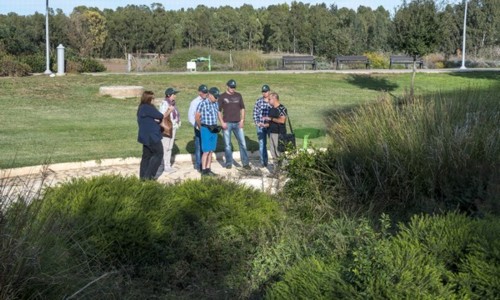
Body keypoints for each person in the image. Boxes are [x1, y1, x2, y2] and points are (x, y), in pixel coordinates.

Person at [218, 79, 250, 170]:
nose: (233, 89)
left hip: (237, 123)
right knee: (227, 145)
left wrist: (242, 120)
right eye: (231, 87)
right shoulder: (222, 96)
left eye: (234, 87)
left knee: (243, 143)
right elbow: (218, 111)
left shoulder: (238, 95)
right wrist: (222, 122)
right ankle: (228, 163)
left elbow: (242, 108)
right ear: (227, 86)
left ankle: (245, 163)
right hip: (227, 123)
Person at [137, 90, 165, 180]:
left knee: (146, 156)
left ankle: (142, 176)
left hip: (145, 136)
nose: (154, 100)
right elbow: (160, 115)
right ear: (149, 99)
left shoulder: (141, 107)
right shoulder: (148, 107)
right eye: (153, 98)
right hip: (152, 136)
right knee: (158, 153)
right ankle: (149, 176)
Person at [195, 87, 220, 176]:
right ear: (210, 95)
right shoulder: (202, 104)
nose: (217, 98)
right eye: (215, 96)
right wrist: (200, 126)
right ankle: (204, 170)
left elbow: (218, 114)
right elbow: (197, 116)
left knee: (211, 150)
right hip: (205, 128)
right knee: (206, 151)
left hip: (214, 128)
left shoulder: (216, 104)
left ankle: (209, 169)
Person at [155, 87, 179, 178]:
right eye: (174, 94)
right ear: (169, 95)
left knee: (170, 147)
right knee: (165, 147)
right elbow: (161, 116)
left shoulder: (172, 103)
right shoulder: (164, 103)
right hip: (166, 128)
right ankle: (164, 165)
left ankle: (167, 165)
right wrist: (169, 110)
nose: (175, 96)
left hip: (172, 127)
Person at [263, 92, 288, 168]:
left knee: (279, 152)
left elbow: (282, 120)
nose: (268, 100)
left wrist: (271, 118)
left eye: (269, 99)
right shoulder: (271, 109)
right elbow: (270, 122)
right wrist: (264, 125)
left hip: (279, 133)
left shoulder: (282, 108)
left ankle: (283, 169)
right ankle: (276, 170)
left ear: (274, 99)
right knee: (273, 152)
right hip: (271, 133)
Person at [188, 84, 208, 172]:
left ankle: (205, 164)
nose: (205, 94)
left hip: (207, 127)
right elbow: (190, 116)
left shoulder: (208, 101)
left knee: (206, 146)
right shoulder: (194, 102)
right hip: (198, 127)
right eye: (203, 92)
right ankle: (198, 164)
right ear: (199, 92)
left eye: (206, 92)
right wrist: (197, 126)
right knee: (199, 145)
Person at [253, 84, 272, 167]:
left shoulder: (272, 101)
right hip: (260, 126)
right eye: (263, 92)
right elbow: (255, 112)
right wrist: (257, 122)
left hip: (270, 126)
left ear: (269, 92)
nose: (264, 93)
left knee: (272, 144)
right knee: (262, 144)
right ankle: (263, 162)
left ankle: (275, 161)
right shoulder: (258, 101)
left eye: (266, 91)